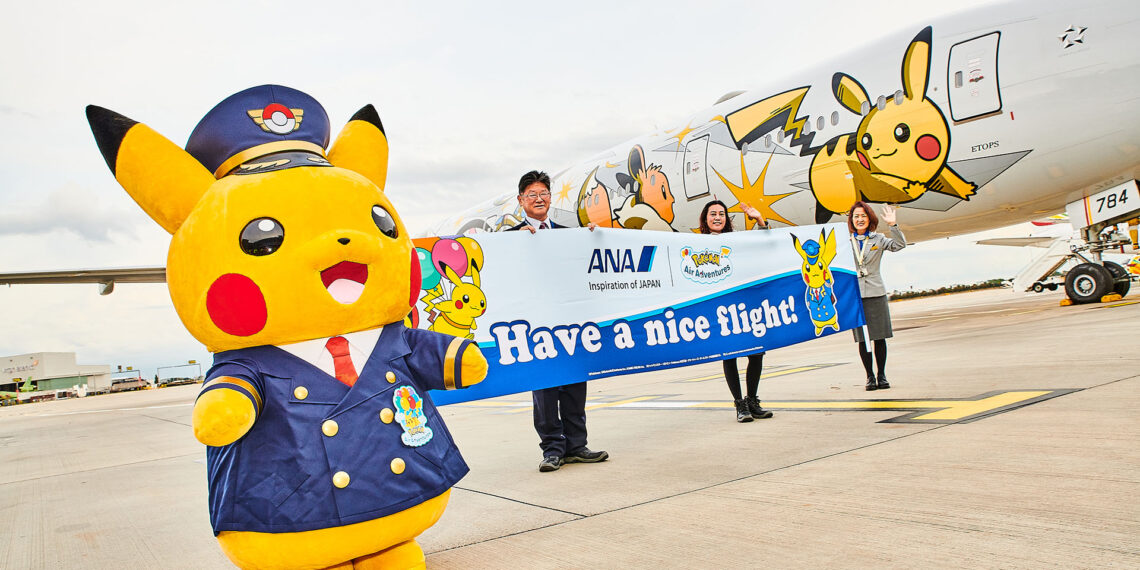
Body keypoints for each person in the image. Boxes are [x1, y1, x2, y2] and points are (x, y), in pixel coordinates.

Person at [506, 170, 607, 472]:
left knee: (576, 385)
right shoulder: (510, 239)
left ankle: (577, 445)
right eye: (532, 195)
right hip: (536, 327)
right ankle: (552, 449)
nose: (539, 199)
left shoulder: (569, 234)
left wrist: (591, 238)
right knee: (546, 389)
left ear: (551, 198)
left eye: (544, 194)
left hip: (570, 324)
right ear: (521, 201)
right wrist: (518, 245)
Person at [698, 199, 774, 423]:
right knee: (730, 356)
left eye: (721, 213)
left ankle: (752, 400)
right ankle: (740, 405)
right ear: (705, 219)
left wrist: (760, 220)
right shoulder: (696, 243)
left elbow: (764, 246)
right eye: (713, 214)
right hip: (721, 307)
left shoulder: (738, 240)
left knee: (756, 353)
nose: (718, 217)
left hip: (745, 306)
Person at [847, 201, 905, 391]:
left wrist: (892, 225)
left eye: (863, 215)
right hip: (856, 296)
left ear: (869, 218)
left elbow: (899, 245)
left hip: (876, 292)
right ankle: (869, 376)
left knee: (879, 337)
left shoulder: (878, 239)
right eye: (856, 216)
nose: (860, 219)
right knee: (863, 339)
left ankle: (882, 374)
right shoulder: (845, 242)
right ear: (852, 220)